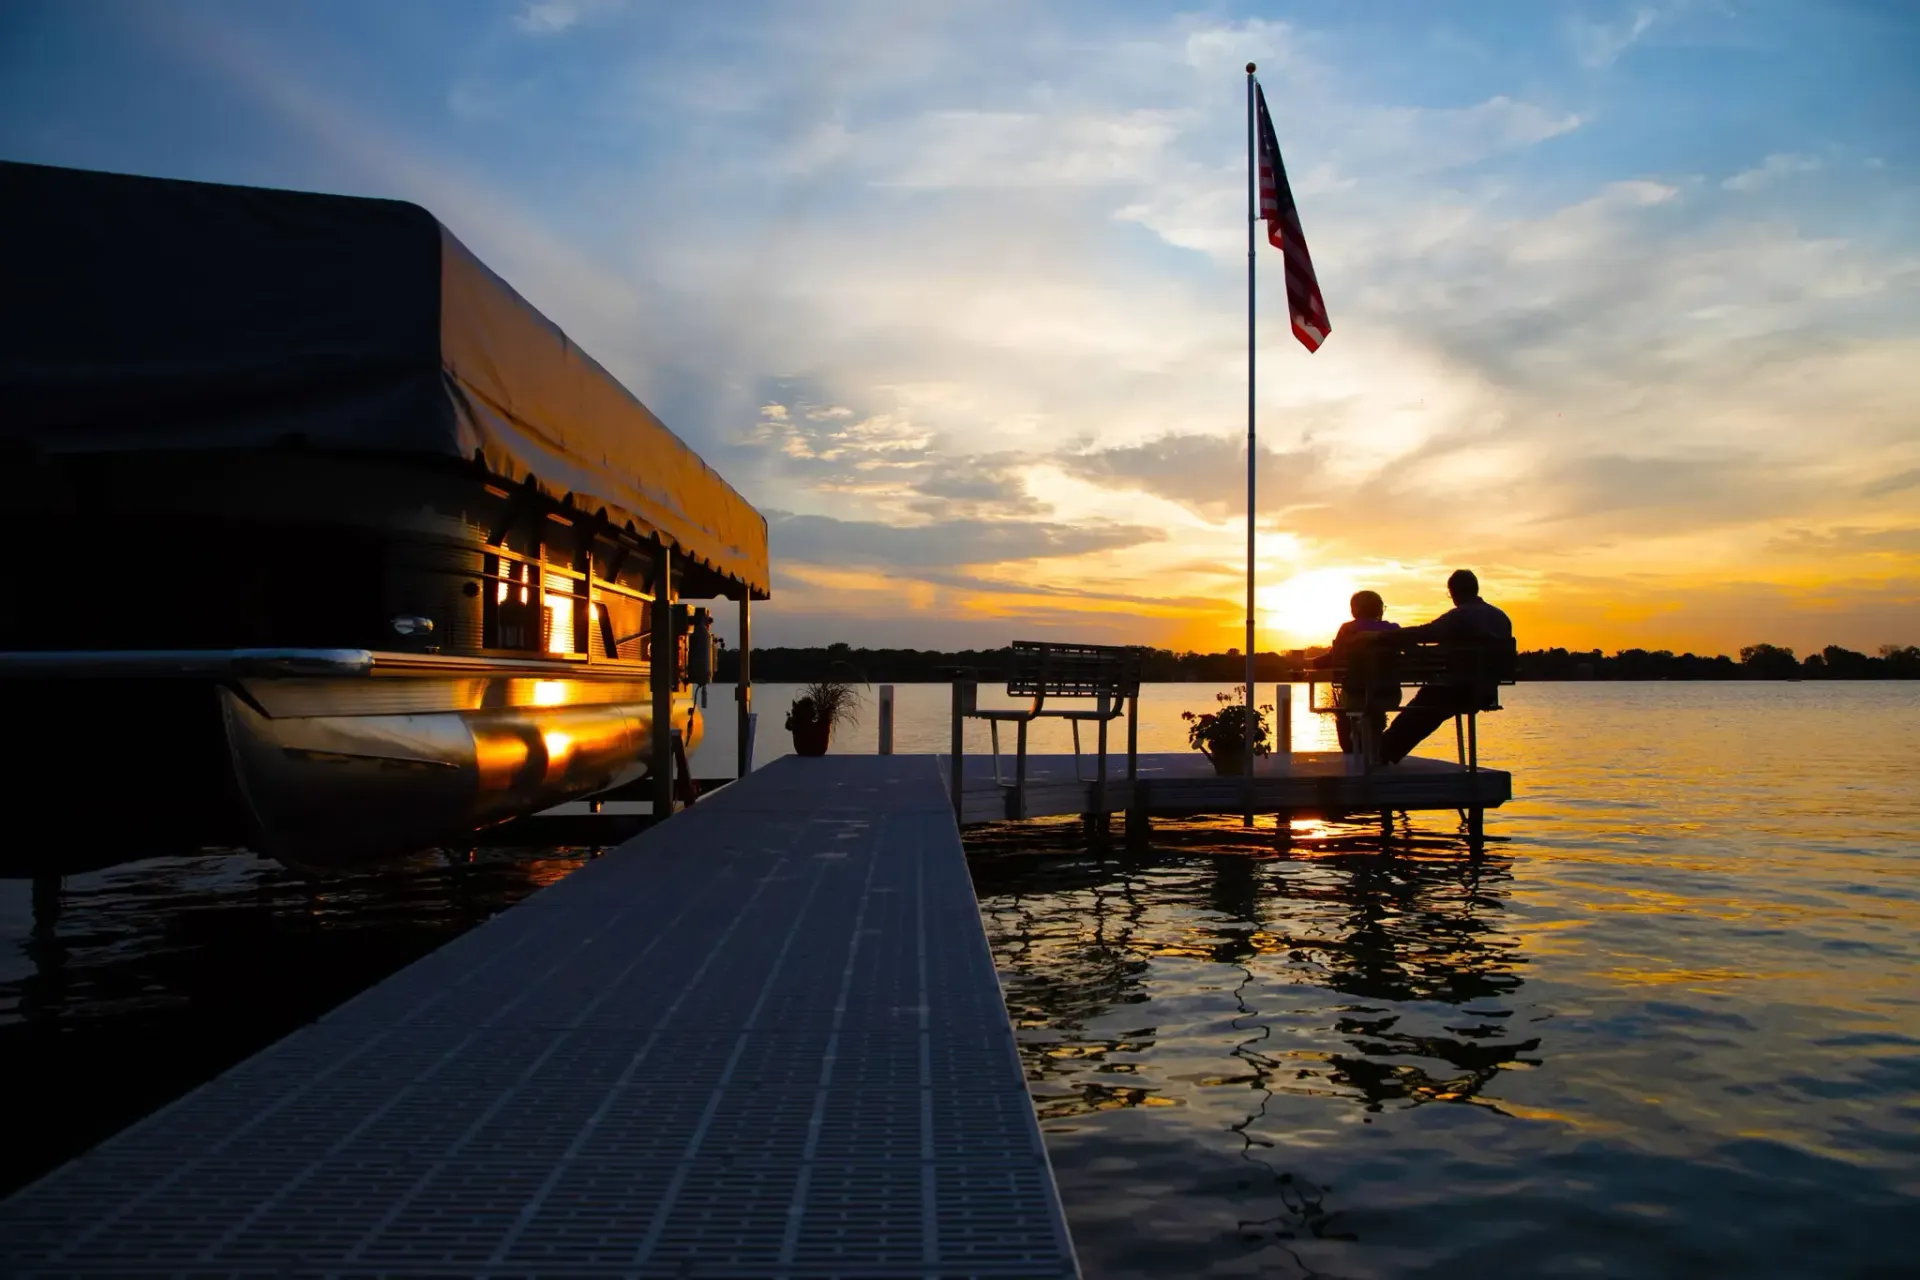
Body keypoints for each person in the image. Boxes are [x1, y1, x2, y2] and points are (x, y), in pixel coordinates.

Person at [1378, 569, 1513, 764]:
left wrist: (1384, 636)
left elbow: (1425, 632)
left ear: (1453, 592)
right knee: (1427, 706)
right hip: (1486, 692)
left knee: (1422, 708)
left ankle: (1383, 753)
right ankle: (1386, 752)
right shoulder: (1501, 617)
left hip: (1457, 689)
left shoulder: (1461, 615)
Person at [1313, 590, 1400, 754]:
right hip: (1390, 695)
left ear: (1354, 610)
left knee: (1355, 696)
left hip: (1356, 695)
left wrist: (1313, 663)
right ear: (1379, 609)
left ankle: (1356, 742)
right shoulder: (1393, 629)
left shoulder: (1348, 629)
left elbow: (1335, 656)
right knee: (1373, 695)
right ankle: (1374, 742)